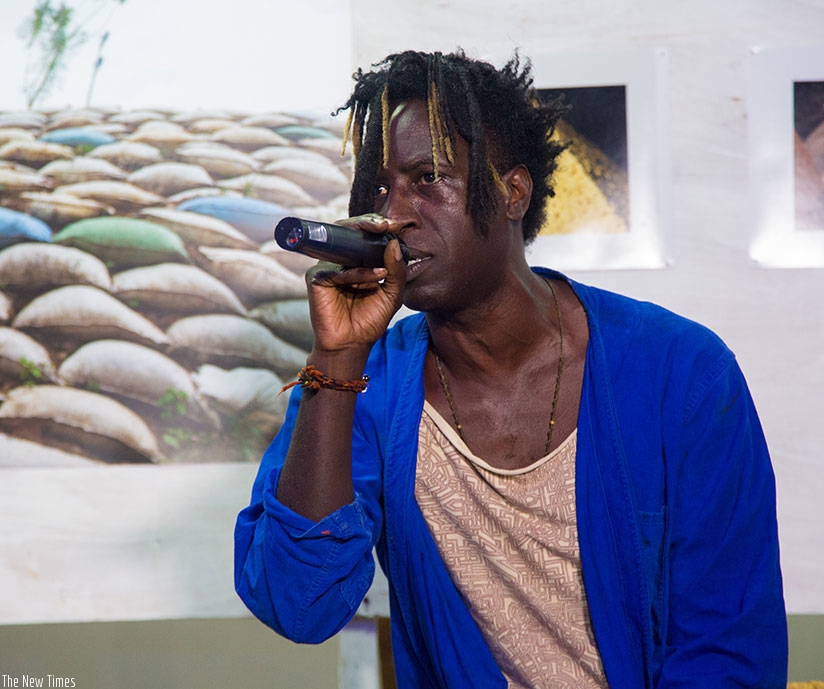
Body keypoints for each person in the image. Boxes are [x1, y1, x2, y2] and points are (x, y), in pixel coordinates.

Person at [234, 49, 788, 688]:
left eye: (427, 178)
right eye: (380, 189)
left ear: (511, 190)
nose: (397, 212)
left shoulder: (683, 375)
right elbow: (299, 602)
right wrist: (336, 357)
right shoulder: (363, 385)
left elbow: (729, 651)